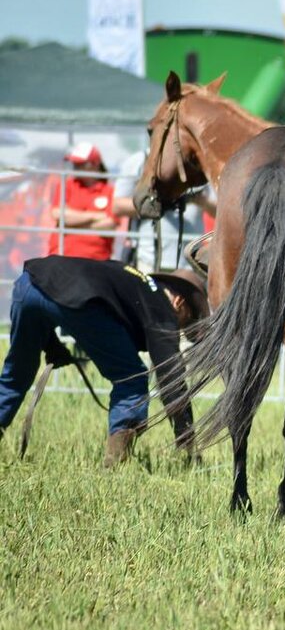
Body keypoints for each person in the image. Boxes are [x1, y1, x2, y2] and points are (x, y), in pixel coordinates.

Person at [0, 257, 208, 465]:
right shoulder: (162, 310)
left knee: (15, 377)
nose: (179, 329)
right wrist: (186, 441)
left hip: (28, 282)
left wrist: (49, 341)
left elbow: (56, 289)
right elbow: (172, 380)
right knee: (131, 380)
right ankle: (114, 465)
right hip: (79, 299)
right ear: (179, 302)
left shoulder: (131, 277)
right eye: (186, 321)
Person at [111, 149, 215, 272]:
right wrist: (160, 202)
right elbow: (117, 206)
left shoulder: (201, 162)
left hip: (191, 263)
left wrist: (200, 200)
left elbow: (218, 211)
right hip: (148, 260)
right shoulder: (141, 159)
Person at [44, 143, 118, 261]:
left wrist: (71, 223)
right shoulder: (65, 185)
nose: (75, 166)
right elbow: (58, 214)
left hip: (96, 260)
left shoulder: (110, 191)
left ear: (95, 164)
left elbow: (109, 225)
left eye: (81, 163)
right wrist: (95, 216)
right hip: (62, 255)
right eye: (74, 163)